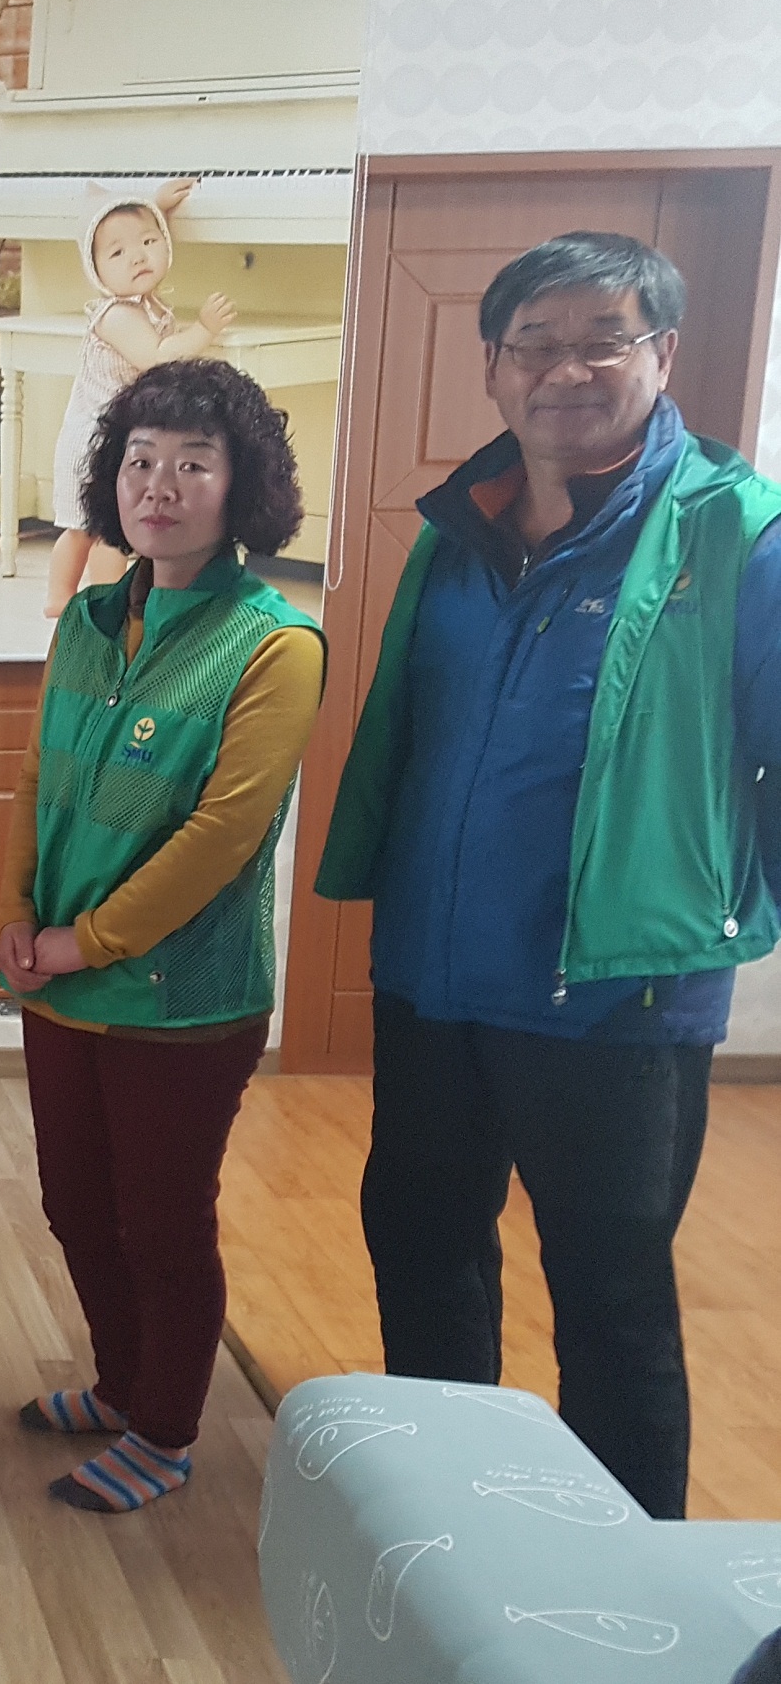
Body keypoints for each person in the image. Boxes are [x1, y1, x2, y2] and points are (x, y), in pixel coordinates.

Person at [316, 231, 781, 1523]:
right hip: (434, 974)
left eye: (602, 341)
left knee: (610, 1292)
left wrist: (725, 913)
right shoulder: (455, 531)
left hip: (615, 992)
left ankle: (623, 1573)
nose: (565, 370)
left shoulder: (737, 536)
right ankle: (450, 1522)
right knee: (421, 1240)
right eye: (534, 343)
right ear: (492, 365)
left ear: (662, 354)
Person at [0, 359, 322, 1513]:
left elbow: (221, 837)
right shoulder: (89, 620)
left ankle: (167, 1430)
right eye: (140, 461)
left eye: (193, 463)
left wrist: (85, 942)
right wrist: (20, 915)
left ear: (242, 487)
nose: (160, 486)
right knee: (76, 1208)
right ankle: (121, 1384)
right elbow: (36, 778)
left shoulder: (274, 644)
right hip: (59, 978)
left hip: (182, 998)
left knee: (162, 1225)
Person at [43, 181, 234, 619]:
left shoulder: (142, 306)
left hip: (112, 434)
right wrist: (204, 329)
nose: (137, 257)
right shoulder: (117, 315)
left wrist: (156, 207)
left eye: (149, 242)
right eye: (117, 253)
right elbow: (157, 358)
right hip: (93, 439)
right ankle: (92, 597)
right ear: (96, 272)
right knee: (102, 529)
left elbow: (137, 235)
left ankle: (66, 595)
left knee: (85, 527)